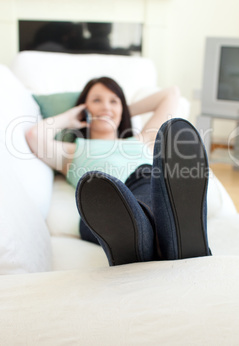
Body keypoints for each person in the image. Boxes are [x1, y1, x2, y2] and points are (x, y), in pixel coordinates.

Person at [26, 77, 211, 266]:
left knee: (148, 181)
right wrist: (69, 118)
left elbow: (171, 94)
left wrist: (122, 112)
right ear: (84, 109)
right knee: (107, 195)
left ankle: (148, 238)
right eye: (96, 101)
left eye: (113, 101)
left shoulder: (142, 140)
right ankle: (173, 234)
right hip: (104, 206)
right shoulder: (74, 150)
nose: (106, 106)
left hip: (145, 188)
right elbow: (34, 136)